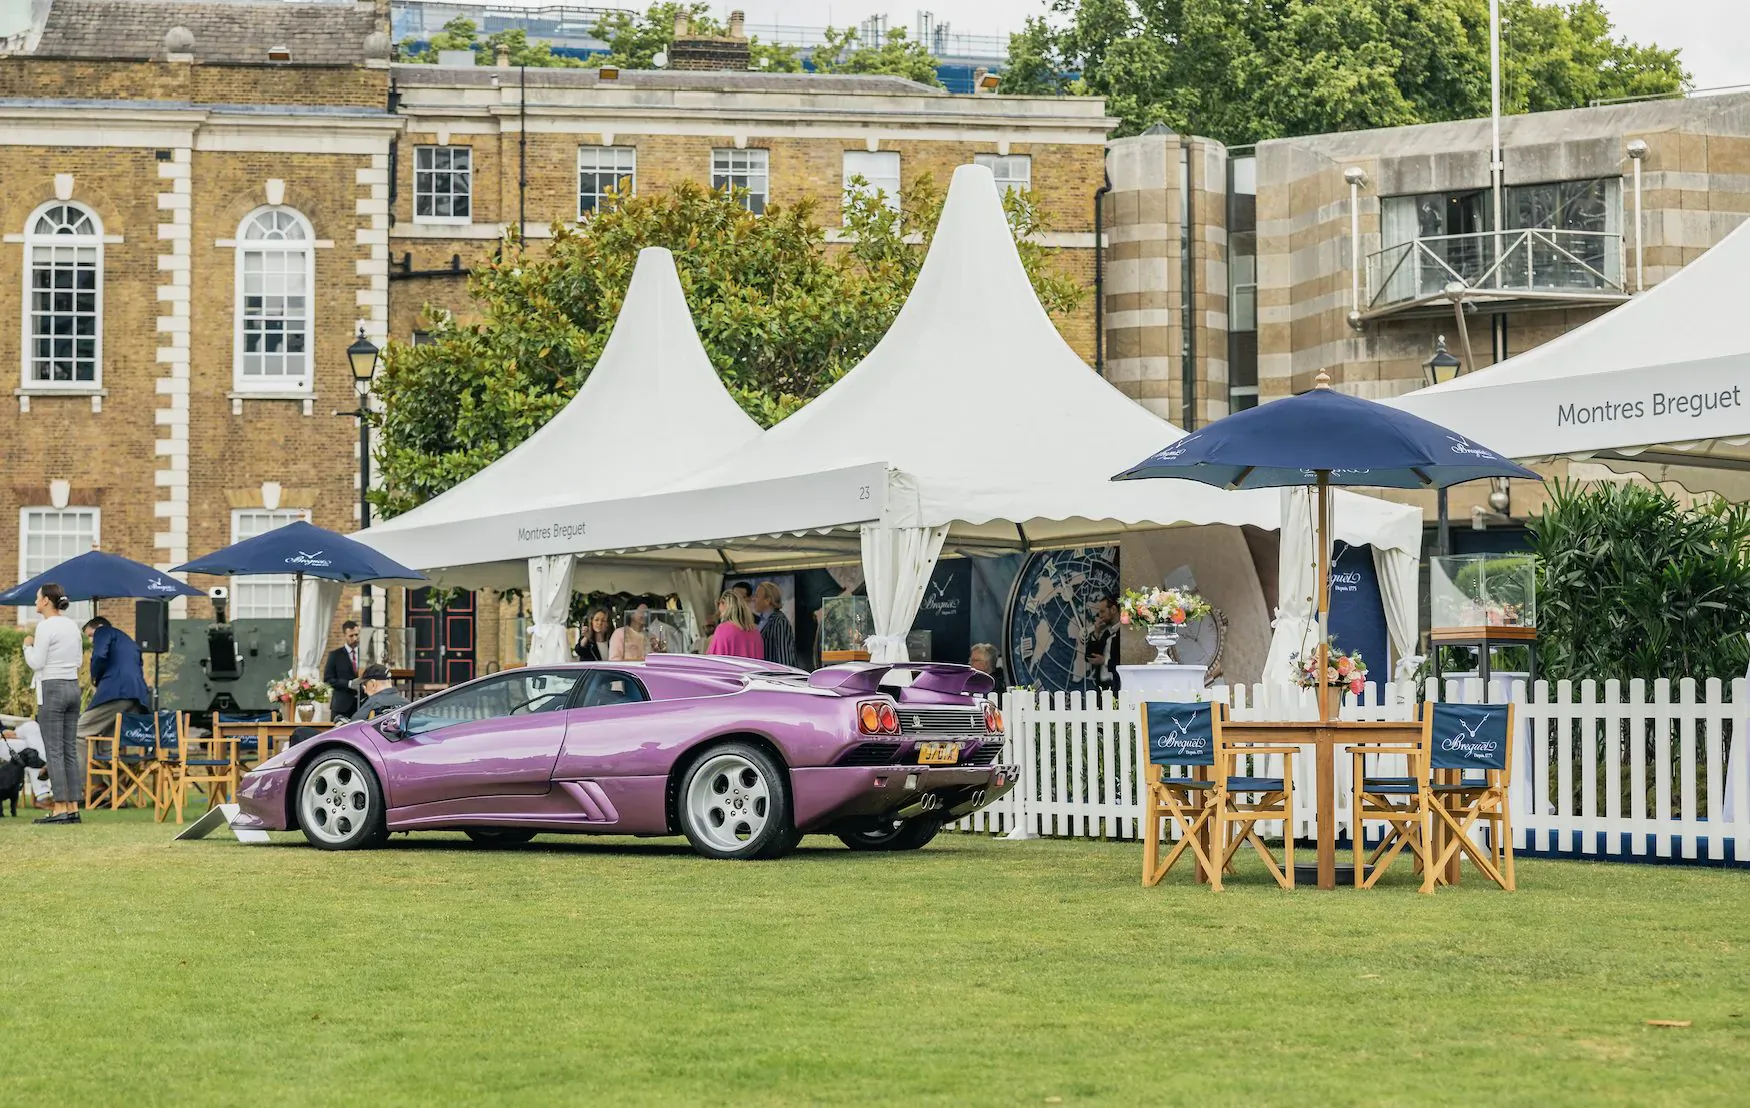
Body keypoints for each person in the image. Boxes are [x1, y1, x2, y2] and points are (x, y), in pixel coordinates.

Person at [24, 584, 83, 823]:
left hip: (52, 687)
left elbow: (37, 663)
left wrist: (27, 645)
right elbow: (78, 659)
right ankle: (72, 807)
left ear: (47, 601)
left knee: (54, 750)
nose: (35, 601)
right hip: (72, 686)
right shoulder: (71, 625)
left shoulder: (45, 626)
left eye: (37, 598)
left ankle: (59, 808)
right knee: (69, 749)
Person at [79, 616, 150, 740]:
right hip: (136, 696)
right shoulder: (128, 641)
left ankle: (80, 760)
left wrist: (95, 678)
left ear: (99, 627)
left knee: (80, 732)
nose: (91, 641)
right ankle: (106, 759)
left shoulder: (103, 631)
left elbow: (99, 656)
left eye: (90, 635)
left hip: (116, 691)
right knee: (109, 740)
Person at [707, 590, 764, 659]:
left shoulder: (722, 629)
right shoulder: (755, 632)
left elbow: (713, 660)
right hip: (753, 669)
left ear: (723, 604)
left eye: (718, 603)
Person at [752, 582, 796, 668]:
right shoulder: (762, 621)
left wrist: (782, 679)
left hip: (776, 678)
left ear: (767, 601)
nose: (754, 599)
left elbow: (784, 657)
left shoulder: (779, 621)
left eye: (757, 596)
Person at [323, 620, 361, 720]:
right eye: (351, 636)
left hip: (362, 705)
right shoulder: (335, 655)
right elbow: (328, 679)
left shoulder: (365, 655)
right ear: (345, 635)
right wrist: (349, 684)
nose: (355, 638)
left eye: (357, 635)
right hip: (341, 706)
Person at [1085, 594, 1121, 693]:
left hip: (1117, 685)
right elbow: (1089, 657)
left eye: (1103, 611)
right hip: (1102, 686)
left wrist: (1104, 661)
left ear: (1113, 609)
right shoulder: (1106, 633)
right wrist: (1096, 633)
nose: (1100, 616)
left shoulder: (1123, 634)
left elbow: (1123, 663)